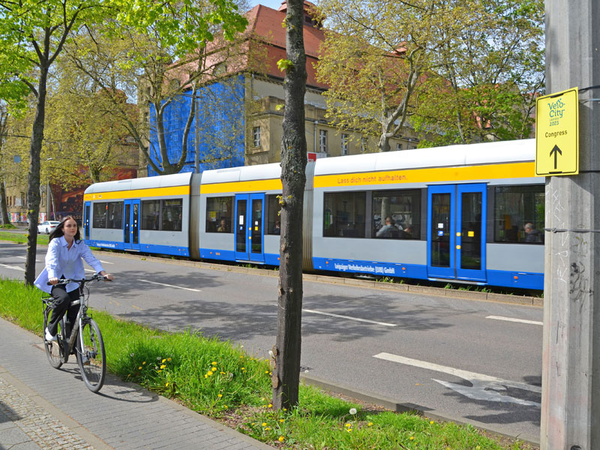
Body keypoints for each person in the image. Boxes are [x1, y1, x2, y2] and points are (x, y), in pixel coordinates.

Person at [34, 216, 114, 342]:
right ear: (62, 229)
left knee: (75, 312)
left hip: (74, 281)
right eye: (69, 226)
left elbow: (91, 259)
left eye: (75, 226)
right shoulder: (56, 243)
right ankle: (51, 329)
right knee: (63, 299)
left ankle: (73, 346)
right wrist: (52, 276)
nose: (72, 228)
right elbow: (51, 261)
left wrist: (103, 273)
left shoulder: (79, 244)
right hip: (57, 280)